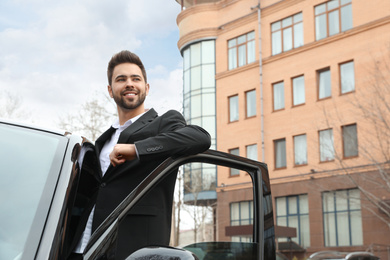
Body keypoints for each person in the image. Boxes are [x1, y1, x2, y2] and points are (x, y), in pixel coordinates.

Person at [70, 50, 211, 259]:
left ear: (146, 87)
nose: (129, 83)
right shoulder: (103, 139)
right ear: (110, 90)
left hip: (133, 250)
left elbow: (200, 137)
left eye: (136, 78)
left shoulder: (164, 122)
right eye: (121, 79)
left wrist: (136, 150)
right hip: (83, 249)